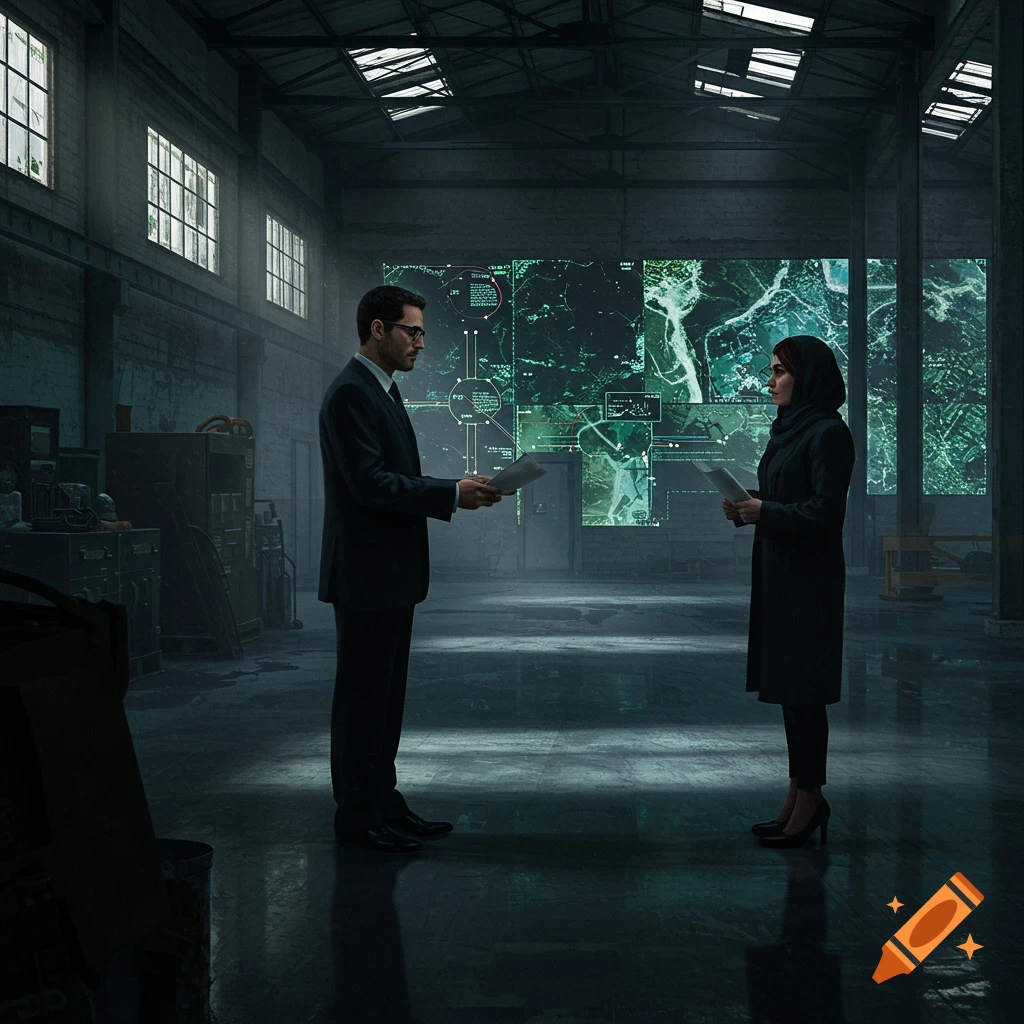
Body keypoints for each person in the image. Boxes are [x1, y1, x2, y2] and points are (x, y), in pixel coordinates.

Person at [319, 285, 502, 853]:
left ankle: (384, 803)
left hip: (388, 576)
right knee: (362, 701)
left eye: (421, 331)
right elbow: (370, 484)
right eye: (411, 331)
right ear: (377, 329)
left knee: (384, 700)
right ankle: (358, 815)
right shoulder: (352, 394)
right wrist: (449, 493)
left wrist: (451, 493)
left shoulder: (382, 391)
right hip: (367, 576)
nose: (420, 342)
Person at [722, 335, 855, 848]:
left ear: (809, 377)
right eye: (772, 369)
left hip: (810, 583)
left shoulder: (827, 434)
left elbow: (827, 512)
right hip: (781, 573)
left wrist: (767, 512)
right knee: (791, 696)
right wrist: (748, 505)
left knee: (805, 695)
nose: (770, 379)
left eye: (781, 371)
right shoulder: (788, 432)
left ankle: (812, 799)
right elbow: (784, 498)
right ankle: (798, 794)